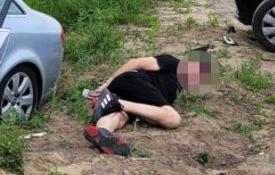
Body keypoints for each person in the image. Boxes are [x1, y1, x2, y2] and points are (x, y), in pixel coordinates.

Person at [83, 51, 217, 156]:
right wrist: (108, 82)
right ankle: (115, 102)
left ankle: (103, 132)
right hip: (133, 81)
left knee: (121, 117)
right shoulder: (174, 63)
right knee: (173, 118)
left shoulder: (178, 87)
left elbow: (153, 111)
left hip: (133, 98)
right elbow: (137, 62)